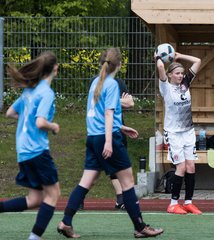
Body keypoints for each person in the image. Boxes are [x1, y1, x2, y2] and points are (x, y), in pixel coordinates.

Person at [57, 48, 163, 238]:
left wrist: (122, 128)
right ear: (120, 65)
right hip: (107, 138)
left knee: (86, 181)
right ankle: (140, 227)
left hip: (93, 137)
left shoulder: (95, 83)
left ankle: (66, 221)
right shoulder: (113, 84)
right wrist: (109, 141)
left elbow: (97, 114)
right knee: (128, 182)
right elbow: (107, 113)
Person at [1, 51, 61, 240]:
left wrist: (26, 119)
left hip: (23, 151)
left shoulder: (29, 91)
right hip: (37, 150)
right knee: (53, 195)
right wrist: (53, 126)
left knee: (34, 199)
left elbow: (10, 112)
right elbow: (40, 122)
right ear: (55, 69)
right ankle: (34, 237)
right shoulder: (46, 92)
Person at [79, 51, 134, 211]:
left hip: (103, 132)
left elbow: (130, 103)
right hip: (108, 133)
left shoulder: (116, 83)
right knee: (125, 175)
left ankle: (71, 211)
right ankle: (137, 221)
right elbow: (110, 109)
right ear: (119, 64)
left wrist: (110, 100)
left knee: (92, 174)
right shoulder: (104, 83)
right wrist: (109, 141)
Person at [156, 50, 202, 214]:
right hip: (173, 133)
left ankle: (188, 202)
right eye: (177, 73)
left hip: (188, 131)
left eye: (182, 73)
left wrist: (180, 56)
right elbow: (160, 67)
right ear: (169, 75)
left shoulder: (185, 84)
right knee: (181, 168)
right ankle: (173, 203)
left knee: (191, 167)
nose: (181, 76)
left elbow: (197, 60)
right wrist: (159, 55)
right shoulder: (166, 88)